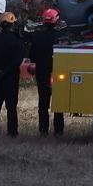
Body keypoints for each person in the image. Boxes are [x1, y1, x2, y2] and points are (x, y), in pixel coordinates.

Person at [28, 8, 65, 136]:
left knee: (43, 103)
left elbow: (32, 56)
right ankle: (58, 131)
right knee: (59, 102)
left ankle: (43, 130)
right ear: (56, 21)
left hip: (42, 73)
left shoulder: (38, 37)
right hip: (59, 73)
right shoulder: (61, 37)